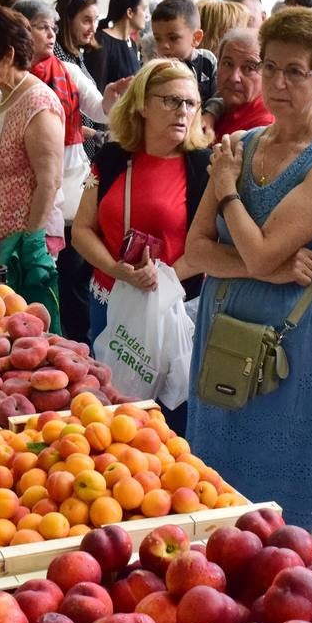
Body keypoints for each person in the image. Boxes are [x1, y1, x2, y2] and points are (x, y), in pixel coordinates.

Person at [184, 7, 312, 529]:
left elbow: (255, 251)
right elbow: (197, 249)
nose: (277, 83)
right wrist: (272, 269)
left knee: (281, 491)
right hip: (227, 316)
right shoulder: (242, 145)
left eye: (295, 71)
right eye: (270, 67)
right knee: (218, 474)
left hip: (289, 329)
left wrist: (229, 189)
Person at [72, 59, 212, 429]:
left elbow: (208, 246)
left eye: (190, 103)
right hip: (109, 305)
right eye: (171, 101)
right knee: (112, 418)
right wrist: (116, 269)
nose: (183, 112)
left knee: (167, 421)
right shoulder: (114, 158)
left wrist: (159, 280)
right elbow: (83, 230)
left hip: (173, 313)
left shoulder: (204, 166)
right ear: (142, 104)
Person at [14, 0, 122, 346]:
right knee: (41, 285)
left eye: (53, 28)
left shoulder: (68, 71)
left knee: (73, 285)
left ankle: (77, 350)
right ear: (22, 29)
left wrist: (111, 97)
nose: (50, 34)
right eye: (42, 27)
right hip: (28, 193)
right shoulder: (13, 77)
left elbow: (99, 109)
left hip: (71, 192)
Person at [0, 6, 66, 269]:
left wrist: (30, 243)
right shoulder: (4, 97)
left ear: (7, 55)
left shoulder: (38, 104)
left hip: (19, 248)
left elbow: (49, 182)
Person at [53, 0, 108, 159]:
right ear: (68, 21)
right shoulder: (57, 58)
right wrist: (90, 132)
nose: (93, 28)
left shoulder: (75, 53)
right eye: (86, 21)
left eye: (95, 20)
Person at [201, 28, 273, 138]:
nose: (234, 78)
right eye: (228, 64)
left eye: (249, 68)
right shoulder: (216, 106)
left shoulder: (263, 127)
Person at [151, 0, 216, 103]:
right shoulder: (157, 70)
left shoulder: (207, 61)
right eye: (158, 39)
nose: (164, 46)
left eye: (173, 38)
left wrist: (209, 115)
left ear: (196, 38)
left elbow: (218, 96)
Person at [85, 0, 144, 91]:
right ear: (130, 12)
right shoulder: (101, 41)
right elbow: (96, 88)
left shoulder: (132, 43)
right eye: (143, 9)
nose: (145, 15)